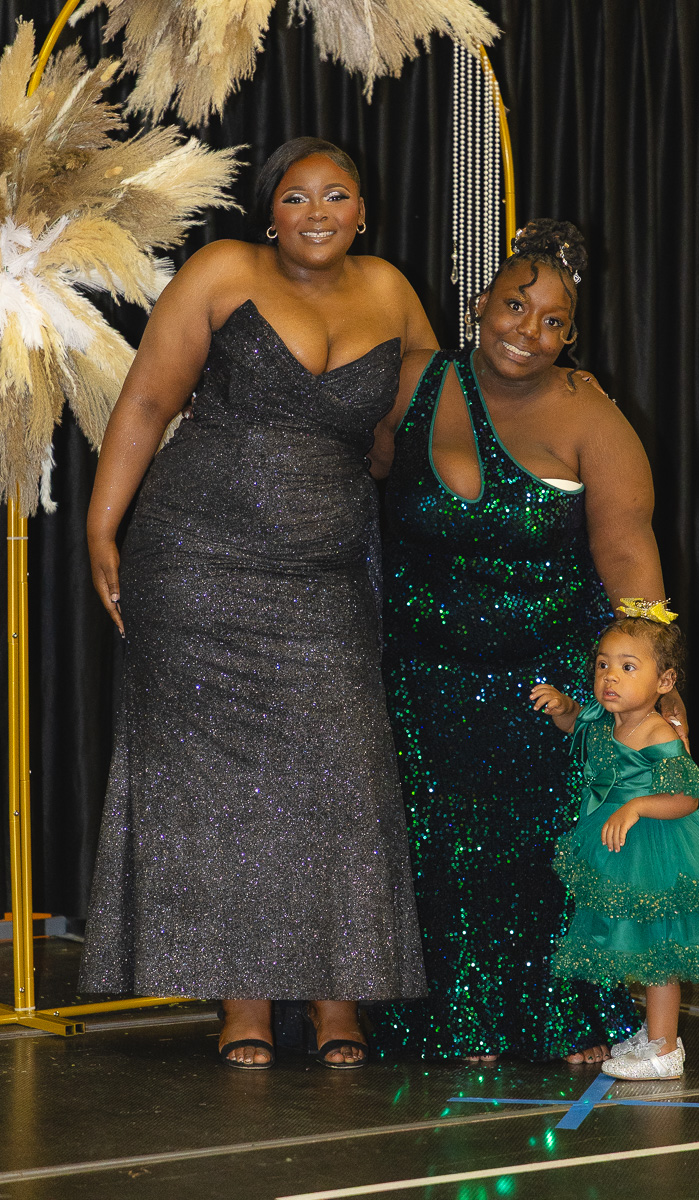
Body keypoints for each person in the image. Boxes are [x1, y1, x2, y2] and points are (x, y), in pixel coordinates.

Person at [79, 137, 438, 1069]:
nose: (316, 212)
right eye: (295, 197)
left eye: (336, 196)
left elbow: (446, 406)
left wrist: (562, 389)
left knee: (343, 779)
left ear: (364, 211)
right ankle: (241, 1001)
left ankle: (337, 1002)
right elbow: (149, 404)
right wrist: (100, 527)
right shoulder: (221, 270)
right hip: (197, 563)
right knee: (221, 793)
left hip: (323, 577)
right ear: (268, 212)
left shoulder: (392, 291)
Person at [367, 219, 687, 1063]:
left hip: (547, 674)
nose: (528, 331)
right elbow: (337, 471)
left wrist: (655, 672)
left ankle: (567, 1017)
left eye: (553, 321)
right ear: (479, 304)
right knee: (440, 848)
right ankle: (457, 1017)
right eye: (516, 306)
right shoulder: (412, 385)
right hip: (425, 673)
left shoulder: (588, 411)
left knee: (550, 853)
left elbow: (627, 546)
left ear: (571, 336)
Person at [531, 607, 699, 1078]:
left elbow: (686, 798)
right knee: (636, 944)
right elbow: (577, 726)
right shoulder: (604, 718)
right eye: (602, 664)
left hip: (658, 848)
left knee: (661, 951)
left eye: (628, 666)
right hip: (620, 845)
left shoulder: (660, 732)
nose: (610, 677)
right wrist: (563, 707)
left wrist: (636, 806)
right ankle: (655, 1033)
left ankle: (665, 1050)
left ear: (665, 681)